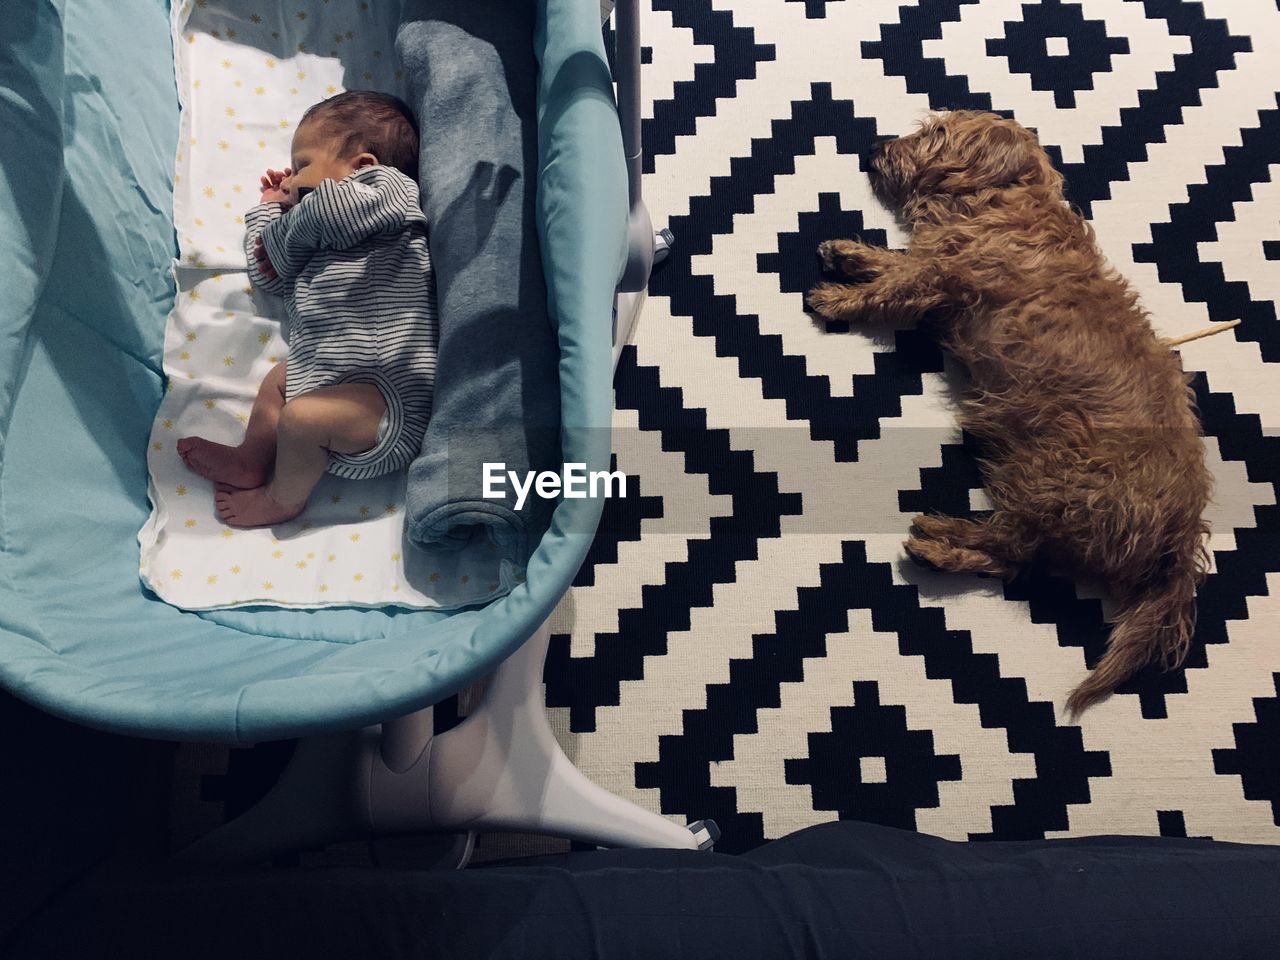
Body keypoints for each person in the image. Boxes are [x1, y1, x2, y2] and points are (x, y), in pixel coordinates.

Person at [177, 90, 437, 528]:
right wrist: (268, 211)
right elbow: (269, 272)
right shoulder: (311, 237)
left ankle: (283, 499)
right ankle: (252, 459)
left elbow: (328, 214)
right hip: (326, 377)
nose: (292, 180)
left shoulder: (386, 191)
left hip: (387, 401)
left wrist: (292, 209)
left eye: (303, 165)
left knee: (300, 418)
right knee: (278, 383)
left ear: (362, 165)